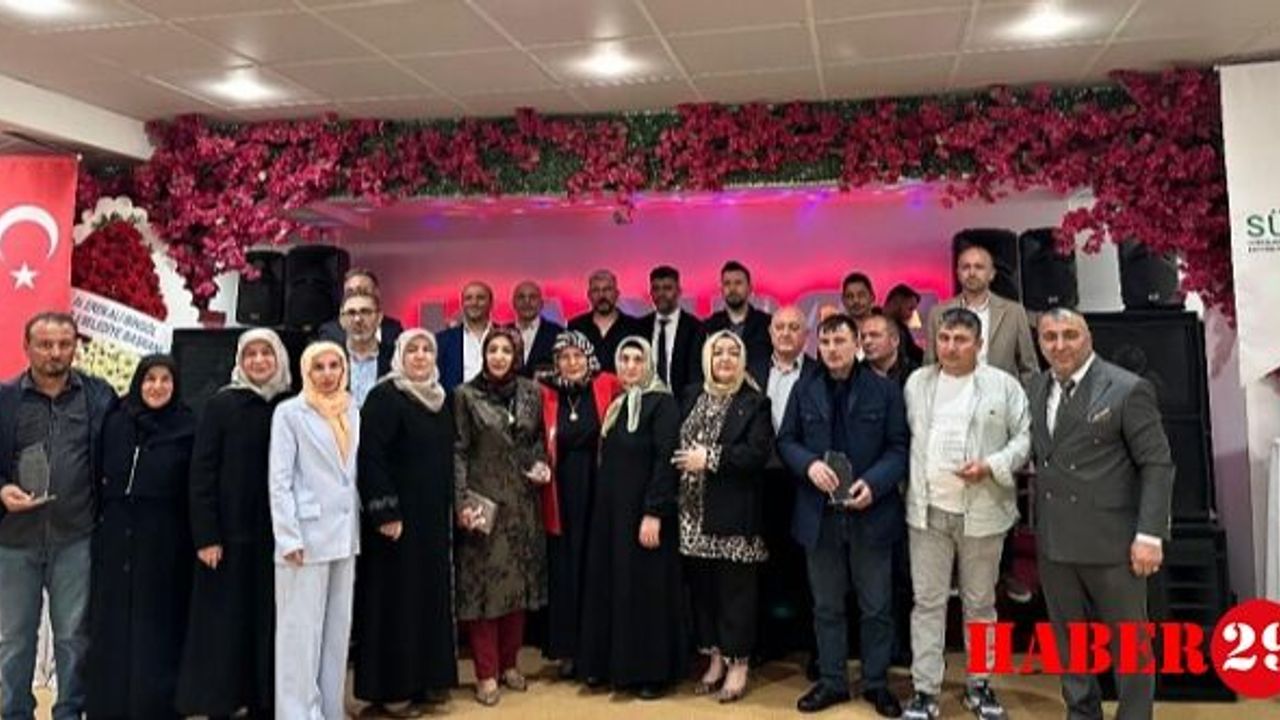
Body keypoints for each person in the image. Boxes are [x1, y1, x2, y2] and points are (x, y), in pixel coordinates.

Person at [1031, 308, 1172, 720]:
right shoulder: (1036, 386)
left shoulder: (1127, 388)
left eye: (1069, 334)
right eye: (1050, 337)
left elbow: (1157, 464)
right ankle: (1082, 713)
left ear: (1088, 336)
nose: (1060, 345)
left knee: (1129, 646)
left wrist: (1150, 534)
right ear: (1039, 343)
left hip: (1113, 543)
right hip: (1055, 540)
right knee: (1069, 643)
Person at [900, 308, 1031, 720]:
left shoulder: (1003, 386)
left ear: (979, 344)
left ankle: (980, 684)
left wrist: (991, 465)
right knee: (927, 603)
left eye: (960, 339)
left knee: (980, 603)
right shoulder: (917, 383)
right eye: (944, 338)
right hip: (927, 512)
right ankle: (925, 690)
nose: (951, 347)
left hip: (983, 512)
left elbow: (1024, 440)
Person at [777, 314, 907, 717]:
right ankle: (832, 681)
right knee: (827, 606)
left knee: (876, 606)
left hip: (871, 512)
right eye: (826, 342)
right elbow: (787, 440)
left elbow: (899, 448)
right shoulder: (804, 388)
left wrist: (874, 484)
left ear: (857, 344)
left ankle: (876, 683)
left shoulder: (884, 390)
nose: (832, 349)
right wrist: (809, 465)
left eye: (840, 341)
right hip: (820, 516)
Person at [0, 313, 117, 720]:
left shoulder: (99, 397)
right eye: (45, 344)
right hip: (14, 541)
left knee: (73, 639)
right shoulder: (5, 399)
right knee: (13, 640)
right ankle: (15, 713)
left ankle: (70, 713)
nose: (55, 352)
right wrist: (1, 490)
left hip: (76, 538)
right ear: (26, 347)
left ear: (75, 347)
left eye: (65, 344)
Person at [178, 329, 290, 720]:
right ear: (239, 361)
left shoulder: (290, 406)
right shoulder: (221, 404)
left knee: (268, 621)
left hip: (276, 538)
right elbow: (202, 472)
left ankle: (264, 701)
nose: (259, 361)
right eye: (250, 354)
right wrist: (206, 535)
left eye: (266, 353)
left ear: (280, 358)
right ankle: (222, 702)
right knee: (225, 623)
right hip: (227, 537)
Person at [354, 329, 458, 715]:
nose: (420, 356)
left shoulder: (440, 399)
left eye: (427, 349)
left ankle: (426, 680)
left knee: (427, 598)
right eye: (411, 349)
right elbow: (370, 458)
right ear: (399, 355)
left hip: (430, 519)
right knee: (394, 602)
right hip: (394, 521)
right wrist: (384, 512)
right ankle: (392, 688)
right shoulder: (384, 397)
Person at [87, 355, 196, 719]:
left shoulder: (188, 426)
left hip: (166, 541)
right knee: (112, 624)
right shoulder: (116, 421)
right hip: (116, 537)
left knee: (159, 627)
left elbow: (194, 488)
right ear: (138, 383)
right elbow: (97, 472)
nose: (157, 386)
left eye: (166, 379)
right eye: (150, 379)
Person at [578, 337, 686, 699]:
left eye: (638, 359)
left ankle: (650, 672)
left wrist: (654, 511)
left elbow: (666, 460)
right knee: (614, 586)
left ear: (649, 363)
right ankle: (612, 666)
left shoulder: (663, 403)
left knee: (645, 591)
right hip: (613, 517)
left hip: (645, 515)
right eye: (623, 359)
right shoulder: (618, 405)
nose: (629, 365)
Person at [453, 327, 550, 706]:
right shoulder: (466, 395)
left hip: (523, 503)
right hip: (484, 503)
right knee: (483, 593)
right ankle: (486, 673)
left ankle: (510, 664)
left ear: (516, 356)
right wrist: (461, 502)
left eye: (505, 350)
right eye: (492, 349)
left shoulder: (531, 392)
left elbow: (536, 440)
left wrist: (541, 464)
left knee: (517, 588)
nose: (498, 356)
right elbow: (459, 450)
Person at [676, 330, 774, 703]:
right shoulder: (691, 395)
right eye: (718, 353)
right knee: (704, 593)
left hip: (733, 515)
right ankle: (715, 658)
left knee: (736, 596)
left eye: (734, 353)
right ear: (707, 359)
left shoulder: (754, 402)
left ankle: (738, 664)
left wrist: (711, 458)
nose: (725, 359)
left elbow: (757, 454)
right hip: (692, 515)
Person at [268, 341, 361, 720]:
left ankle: (329, 710)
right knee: (299, 636)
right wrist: (287, 535)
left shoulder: (352, 409)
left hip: (344, 535)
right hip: (303, 538)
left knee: (336, 633)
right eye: (318, 367)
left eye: (334, 365)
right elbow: (279, 479)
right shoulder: (290, 412)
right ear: (306, 371)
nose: (327, 374)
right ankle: (296, 713)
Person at [537, 330, 622, 679]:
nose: (572, 363)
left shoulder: (609, 385)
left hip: (600, 490)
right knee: (566, 569)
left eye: (578, 356)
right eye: (564, 357)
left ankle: (597, 651)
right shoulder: (544, 393)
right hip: (559, 493)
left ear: (589, 358)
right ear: (556, 362)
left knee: (597, 567)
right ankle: (569, 650)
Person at [758, 306, 821, 666]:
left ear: (805, 335)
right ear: (770, 333)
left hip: (806, 482)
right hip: (762, 481)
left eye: (794, 327)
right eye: (779, 327)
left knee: (808, 567)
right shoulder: (751, 370)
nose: (785, 333)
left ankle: (812, 647)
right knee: (766, 564)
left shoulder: (818, 373)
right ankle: (770, 642)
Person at [925, 243, 1038, 386]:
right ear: (958, 273)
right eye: (966, 267)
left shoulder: (1014, 312)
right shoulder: (938, 313)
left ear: (992, 274)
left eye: (979, 267)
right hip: (953, 394)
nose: (972, 273)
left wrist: (1025, 397)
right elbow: (929, 367)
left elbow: (1029, 368)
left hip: (1001, 396)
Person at [704, 261, 772, 386]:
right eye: (727, 284)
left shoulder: (767, 324)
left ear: (750, 288)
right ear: (721, 290)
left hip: (757, 393)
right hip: (720, 392)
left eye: (738, 283)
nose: (732, 289)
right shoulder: (708, 326)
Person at [640, 265, 705, 394]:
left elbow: (696, 374)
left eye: (667, 288)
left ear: (679, 291)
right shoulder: (640, 326)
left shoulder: (695, 328)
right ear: (650, 293)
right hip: (646, 400)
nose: (661, 294)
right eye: (656, 289)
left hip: (682, 400)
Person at [568, 270, 640, 374]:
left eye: (607, 289)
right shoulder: (575, 327)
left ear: (616, 294)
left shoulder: (634, 327)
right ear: (589, 295)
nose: (602, 295)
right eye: (596, 290)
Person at [317, 268, 405, 349]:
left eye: (363, 291)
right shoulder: (330, 333)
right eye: (350, 292)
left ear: (377, 293)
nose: (357, 296)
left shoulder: (393, 329)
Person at [337, 288, 395, 408]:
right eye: (351, 313)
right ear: (341, 320)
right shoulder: (329, 358)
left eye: (366, 312)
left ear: (379, 318)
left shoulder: (395, 359)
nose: (358, 319)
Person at [437, 281, 495, 390]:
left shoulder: (506, 336)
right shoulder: (442, 340)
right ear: (462, 304)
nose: (474, 303)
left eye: (480, 298)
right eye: (468, 298)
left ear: (491, 303)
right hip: (456, 400)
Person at [513, 280, 565, 379]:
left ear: (541, 304)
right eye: (521, 297)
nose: (527, 302)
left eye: (532, 297)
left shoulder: (559, 334)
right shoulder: (503, 332)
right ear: (513, 303)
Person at [860, 310, 918, 388]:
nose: (867, 341)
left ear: (895, 340)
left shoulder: (915, 373)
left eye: (875, 335)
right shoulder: (855, 375)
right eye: (863, 337)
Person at [884, 283, 924, 367]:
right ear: (897, 303)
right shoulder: (877, 324)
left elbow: (915, 352)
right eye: (910, 309)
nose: (911, 314)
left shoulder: (902, 328)